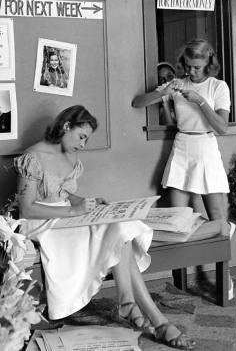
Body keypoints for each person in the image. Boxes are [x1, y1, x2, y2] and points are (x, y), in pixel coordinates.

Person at [14, 105, 196, 350]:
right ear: (66, 126)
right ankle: (154, 318)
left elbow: (66, 194)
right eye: (81, 136)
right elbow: (26, 209)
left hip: (67, 216)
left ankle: (129, 304)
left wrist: (89, 203)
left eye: (87, 140)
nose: (83, 144)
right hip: (40, 221)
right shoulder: (33, 156)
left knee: (120, 228)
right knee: (114, 234)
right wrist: (72, 211)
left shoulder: (71, 156)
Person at [132, 38, 235, 298]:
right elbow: (138, 103)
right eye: (188, 66)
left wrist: (200, 101)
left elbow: (222, 128)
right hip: (182, 148)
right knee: (176, 220)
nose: (192, 72)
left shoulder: (218, 86)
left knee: (218, 218)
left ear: (209, 64)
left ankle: (226, 275)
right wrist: (164, 91)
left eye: (197, 67)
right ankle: (181, 279)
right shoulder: (179, 83)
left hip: (206, 150)